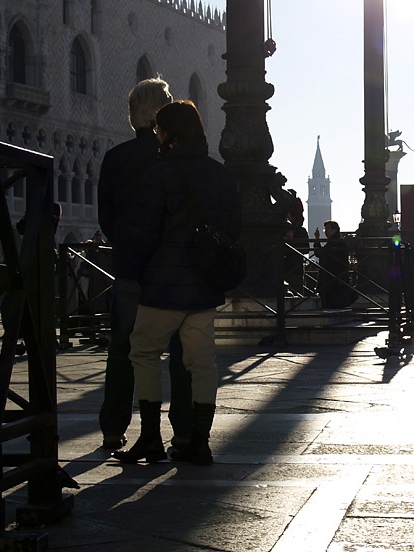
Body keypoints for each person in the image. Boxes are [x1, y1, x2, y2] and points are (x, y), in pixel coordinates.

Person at [112, 100, 240, 465]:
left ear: (167, 134)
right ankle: (199, 441)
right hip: (203, 288)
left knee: (144, 352)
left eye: (159, 131)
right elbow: (233, 229)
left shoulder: (159, 175)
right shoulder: (221, 175)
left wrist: (132, 272)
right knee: (202, 363)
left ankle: (150, 437)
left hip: (163, 288)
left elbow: (141, 233)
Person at [97, 78, 192, 451]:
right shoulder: (172, 158)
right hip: (171, 271)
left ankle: (112, 427)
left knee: (122, 349)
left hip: (130, 269)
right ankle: (182, 430)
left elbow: (106, 218)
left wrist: (127, 244)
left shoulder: (115, 158)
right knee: (179, 351)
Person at [313, 220, 355, 309]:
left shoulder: (334, 242)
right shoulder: (337, 242)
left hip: (331, 277)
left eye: (327, 229)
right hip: (336, 276)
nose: (326, 232)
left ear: (334, 230)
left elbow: (320, 253)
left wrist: (317, 240)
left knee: (331, 300)